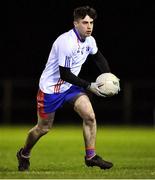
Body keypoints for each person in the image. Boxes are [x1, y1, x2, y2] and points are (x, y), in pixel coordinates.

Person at [17, 5, 114, 171]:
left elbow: (99, 58)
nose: (89, 26)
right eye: (84, 22)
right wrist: (89, 85)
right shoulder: (66, 42)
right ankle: (24, 153)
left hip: (70, 87)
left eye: (91, 22)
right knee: (43, 128)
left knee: (90, 116)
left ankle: (90, 156)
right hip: (51, 89)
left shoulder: (90, 40)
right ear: (76, 24)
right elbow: (65, 74)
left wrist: (109, 78)